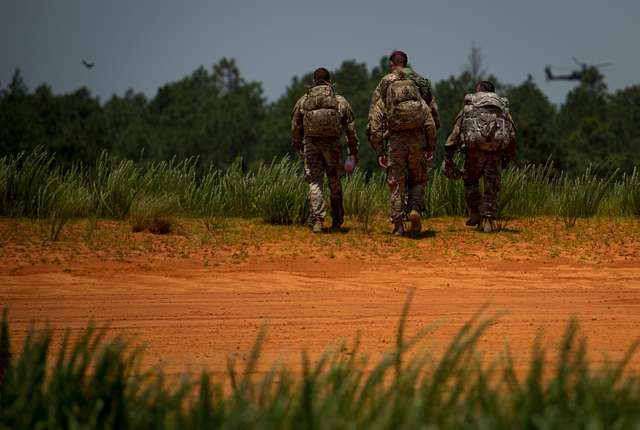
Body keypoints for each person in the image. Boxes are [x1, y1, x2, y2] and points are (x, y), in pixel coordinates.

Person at [367, 50, 438, 236]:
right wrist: (431, 144)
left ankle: (398, 226)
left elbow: (376, 116)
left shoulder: (386, 82)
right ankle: (414, 209)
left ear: (391, 64)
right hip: (418, 139)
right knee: (418, 179)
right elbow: (431, 114)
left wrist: (379, 149)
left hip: (395, 141)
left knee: (396, 183)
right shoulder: (418, 81)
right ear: (406, 63)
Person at [444, 80, 518, 232]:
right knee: (492, 187)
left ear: (479, 90)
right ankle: (488, 220)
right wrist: (507, 157)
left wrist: (448, 154)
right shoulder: (502, 108)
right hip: (495, 153)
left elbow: (457, 131)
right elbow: (512, 135)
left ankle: (475, 212)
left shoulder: (470, 105)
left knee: (470, 181)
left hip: (474, 152)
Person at [291, 67, 359, 233]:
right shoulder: (339, 100)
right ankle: (337, 220)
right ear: (329, 81)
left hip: (311, 144)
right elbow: (350, 128)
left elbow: (295, 126)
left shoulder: (303, 100)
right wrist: (353, 149)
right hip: (333, 145)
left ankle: (317, 221)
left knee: (315, 181)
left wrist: (298, 144)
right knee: (334, 180)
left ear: (313, 82)